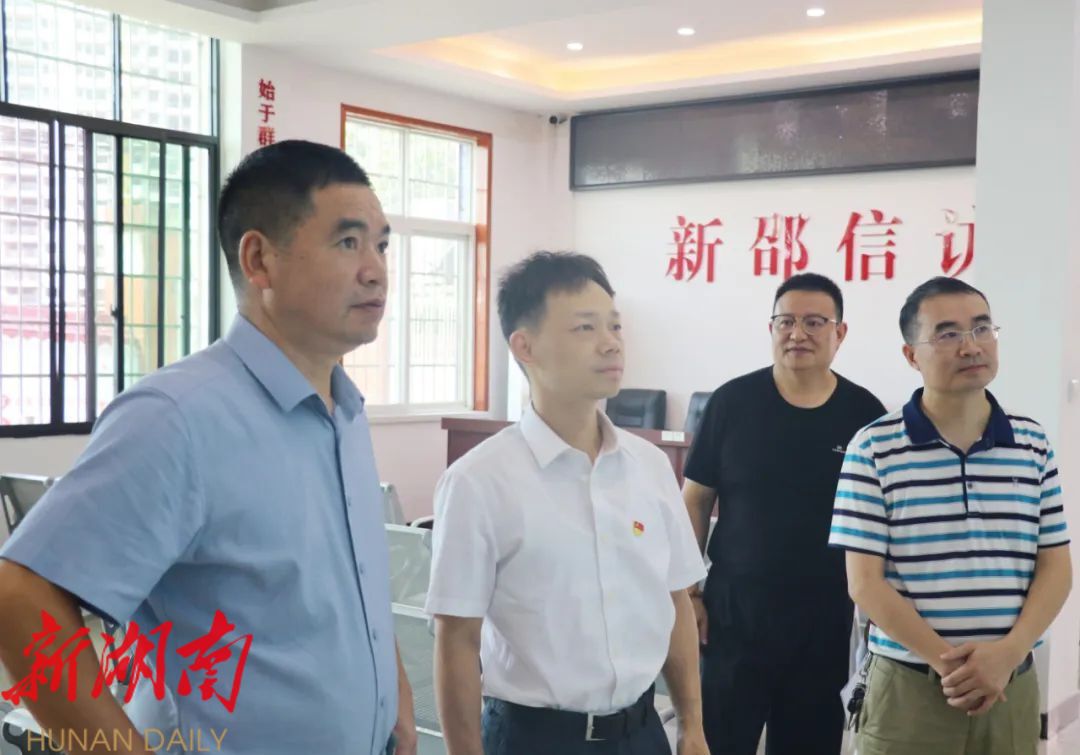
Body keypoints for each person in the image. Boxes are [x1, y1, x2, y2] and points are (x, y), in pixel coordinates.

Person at [0, 140, 416, 755]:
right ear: (259, 260)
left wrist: (394, 694)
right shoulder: (178, 417)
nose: (376, 270)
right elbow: (20, 597)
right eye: (348, 242)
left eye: (381, 245)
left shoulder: (345, 411)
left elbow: (353, 582)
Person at [427, 252, 708, 755]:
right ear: (525, 346)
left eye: (614, 326)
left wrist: (692, 726)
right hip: (534, 739)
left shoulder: (649, 466)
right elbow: (457, 641)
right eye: (585, 328)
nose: (611, 342)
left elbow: (676, 601)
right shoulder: (478, 481)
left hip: (643, 734)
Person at [830, 276, 1072, 755]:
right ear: (911, 355)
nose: (971, 346)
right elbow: (865, 583)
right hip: (910, 687)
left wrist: (1008, 653)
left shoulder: (1031, 442)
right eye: (947, 334)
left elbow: (1056, 566)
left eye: (982, 328)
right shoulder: (873, 447)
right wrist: (952, 665)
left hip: (1011, 683)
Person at [682, 272, 886, 755]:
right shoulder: (731, 402)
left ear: (840, 333)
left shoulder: (864, 415)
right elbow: (695, 500)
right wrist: (689, 592)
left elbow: (880, 520)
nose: (798, 333)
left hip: (825, 616)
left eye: (815, 322)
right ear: (770, 328)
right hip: (734, 613)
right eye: (786, 321)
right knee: (720, 741)